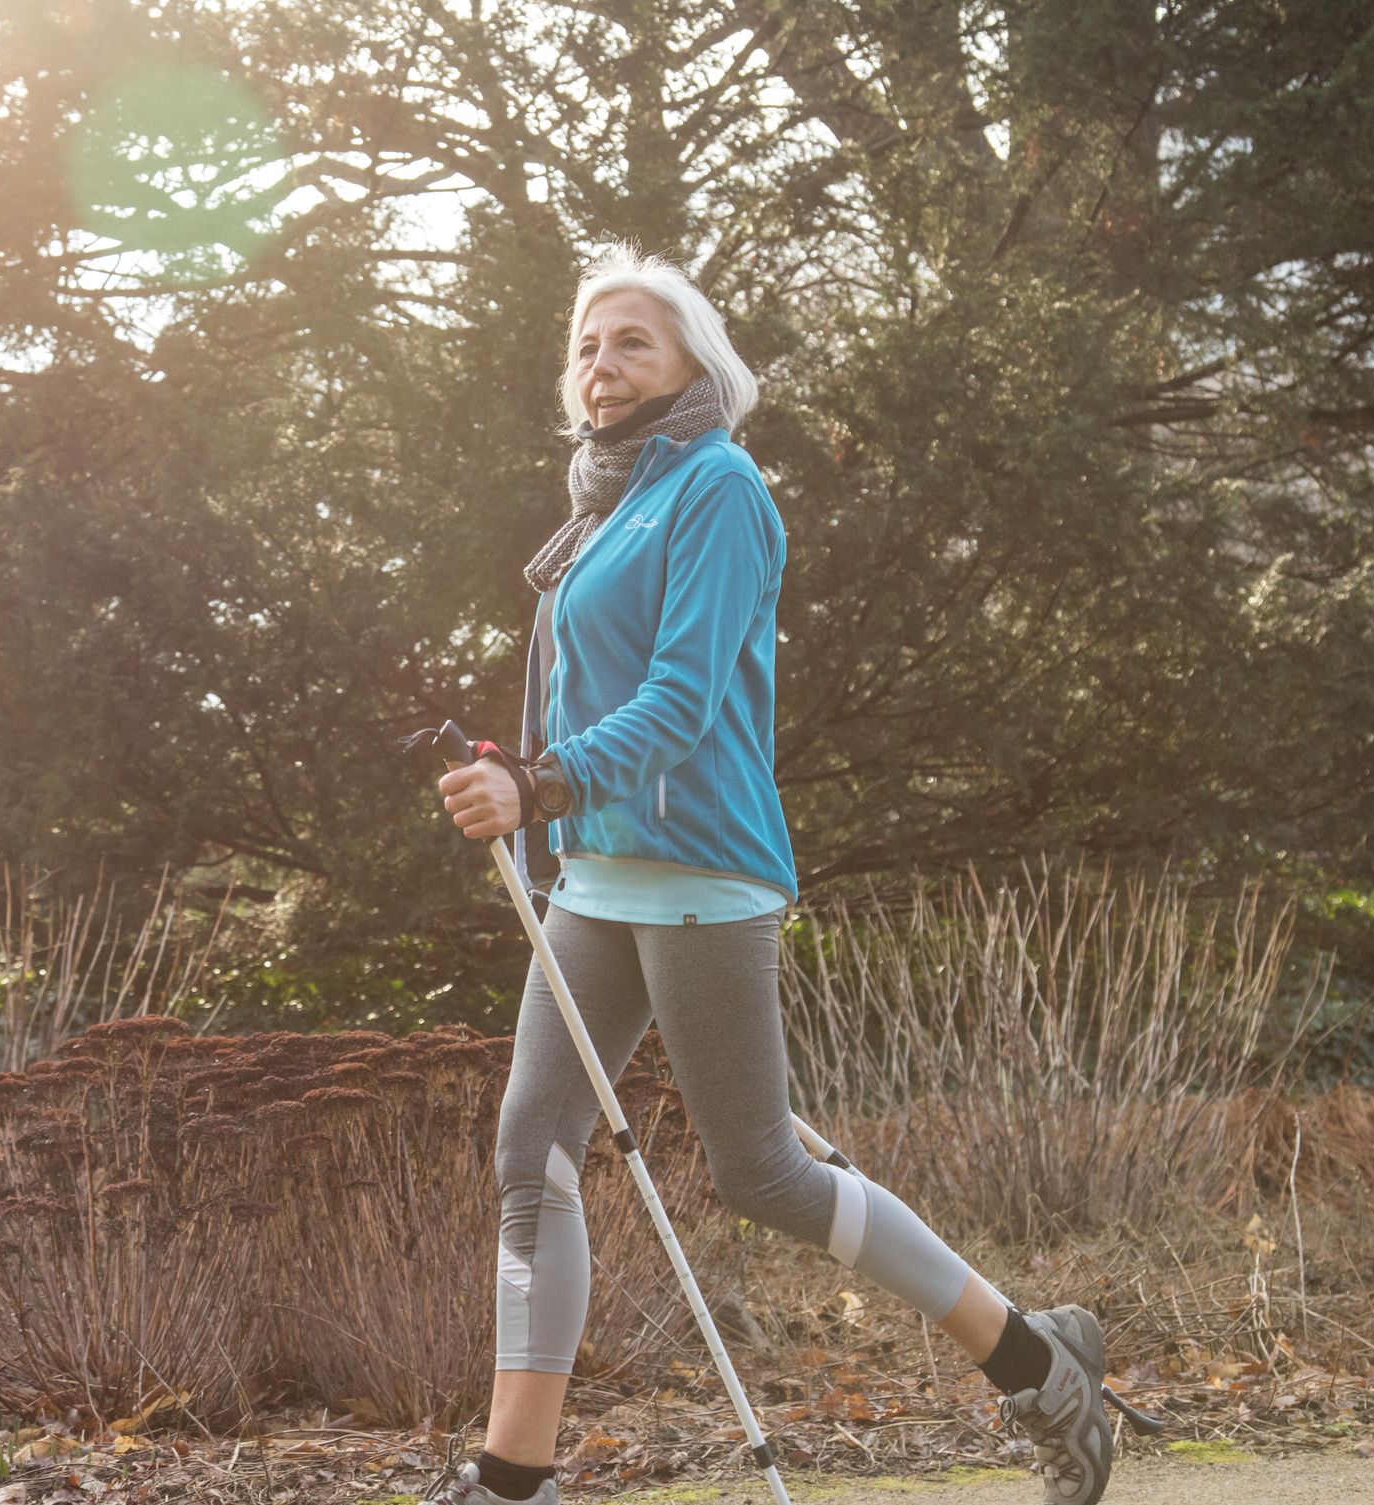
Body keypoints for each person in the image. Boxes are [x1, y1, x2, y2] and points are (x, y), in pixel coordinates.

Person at [429, 244, 1116, 1505]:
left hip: (697, 870)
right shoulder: (606, 497)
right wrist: (539, 797)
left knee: (763, 1175)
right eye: (587, 341)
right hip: (597, 875)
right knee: (532, 1153)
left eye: (632, 339)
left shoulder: (720, 488)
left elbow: (682, 701)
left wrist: (540, 781)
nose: (603, 361)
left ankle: (1036, 1361)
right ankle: (508, 1478)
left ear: (694, 360)